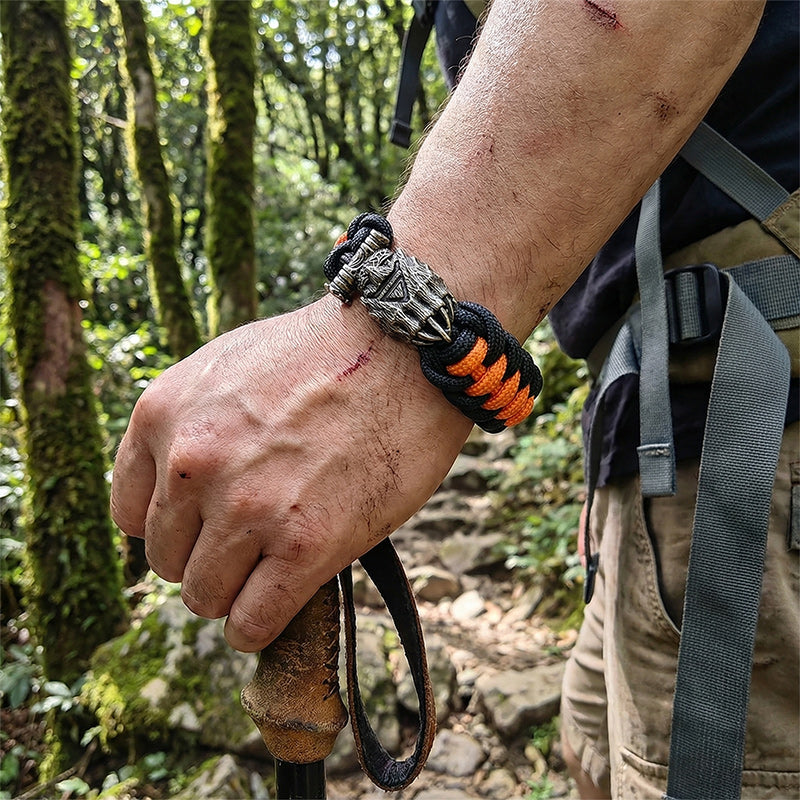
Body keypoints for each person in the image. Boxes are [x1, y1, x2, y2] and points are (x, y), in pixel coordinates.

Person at [110, 1, 799, 796]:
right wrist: (611, 461)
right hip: (659, 442)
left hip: (755, 431)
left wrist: (382, 348)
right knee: (597, 760)